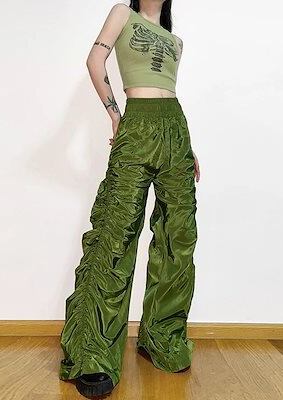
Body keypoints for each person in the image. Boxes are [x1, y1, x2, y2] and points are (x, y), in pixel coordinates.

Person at [59, 1, 200, 397]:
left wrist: (187, 147)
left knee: (178, 237)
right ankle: (92, 353)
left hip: (176, 128)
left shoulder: (175, 40)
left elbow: (169, 91)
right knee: (115, 234)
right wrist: (116, 115)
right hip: (136, 122)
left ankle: (161, 337)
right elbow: (95, 62)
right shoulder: (123, 13)